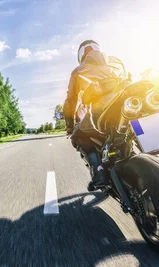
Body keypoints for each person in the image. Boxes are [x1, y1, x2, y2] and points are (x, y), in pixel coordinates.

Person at [63, 40, 129, 192]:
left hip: (101, 111)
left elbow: (70, 102)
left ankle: (98, 171)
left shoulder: (79, 70)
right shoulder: (115, 64)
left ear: (81, 54)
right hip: (125, 105)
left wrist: (70, 126)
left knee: (79, 136)